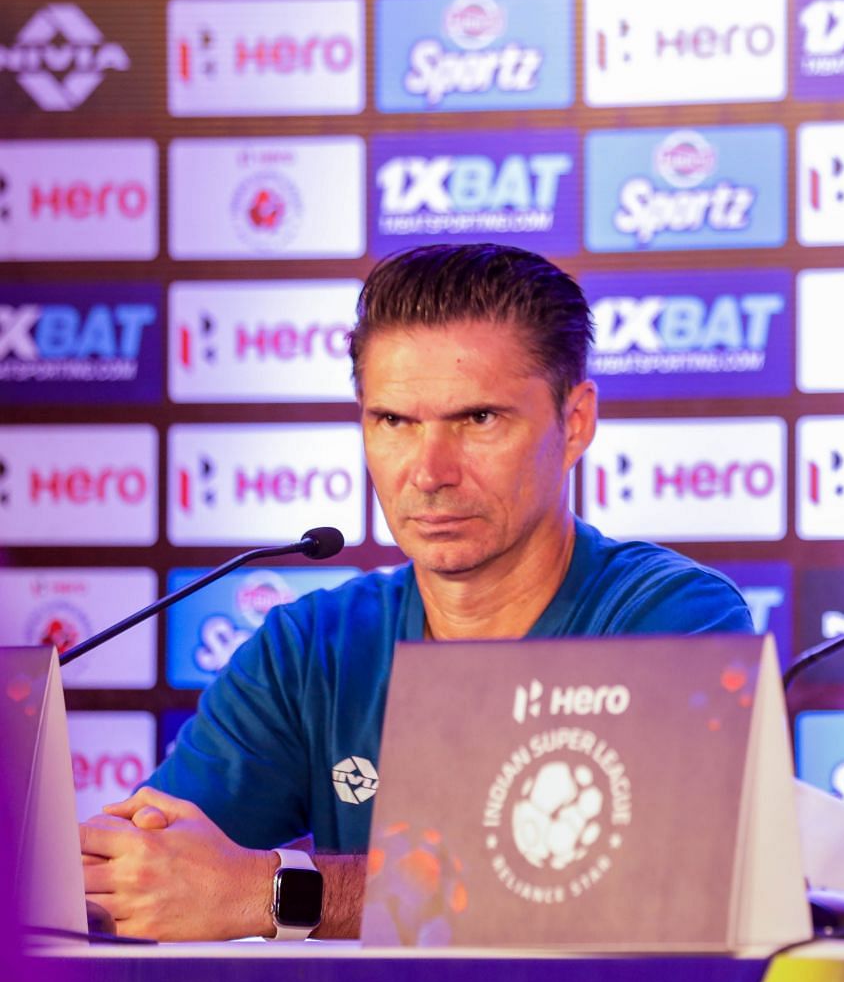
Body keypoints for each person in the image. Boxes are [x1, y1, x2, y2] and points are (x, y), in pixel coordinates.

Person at [79, 244, 751, 941]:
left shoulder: (673, 622)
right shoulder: (313, 648)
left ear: (574, 422)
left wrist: (276, 890)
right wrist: (134, 874)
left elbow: (657, 881)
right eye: (394, 421)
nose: (429, 471)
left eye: (479, 419)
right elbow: (142, 870)